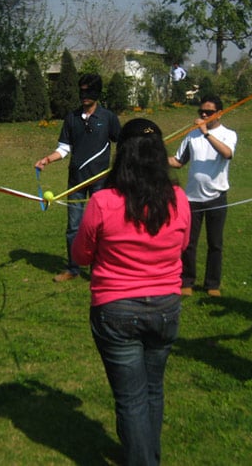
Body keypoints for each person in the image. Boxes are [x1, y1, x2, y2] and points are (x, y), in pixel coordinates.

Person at [71, 118, 190, 465]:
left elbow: (80, 255)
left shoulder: (104, 201)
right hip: (164, 308)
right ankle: (146, 456)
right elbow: (181, 245)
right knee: (150, 391)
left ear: (122, 155)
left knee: (134, 398)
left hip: (118, 312)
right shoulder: (178, 199)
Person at [35, 73, 121, 282]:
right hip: (76, 183)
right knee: (74, 226)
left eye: (89, 92)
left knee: (101, 227)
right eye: (82, 92)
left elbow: (122, 143)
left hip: (100, 182)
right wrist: (48, 159)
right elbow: (64, 148)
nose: (84, 96)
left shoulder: (108, 118)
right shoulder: (71, 118)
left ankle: (99, 269)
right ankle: (72, 268)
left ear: (97, 93)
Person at [168, 95, 237, 297]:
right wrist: (152, 156)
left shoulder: (228, 134)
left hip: (217, 196)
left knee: (215, 243)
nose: (204, 115)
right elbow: (179, 161)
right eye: (201, 112)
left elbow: (227, 154)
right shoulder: (191, 136)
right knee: (189, 242)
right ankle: (187, 281)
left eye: (208, 112)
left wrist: (206, 133)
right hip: (192, 198)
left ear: (219, 113)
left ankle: (212, 284)